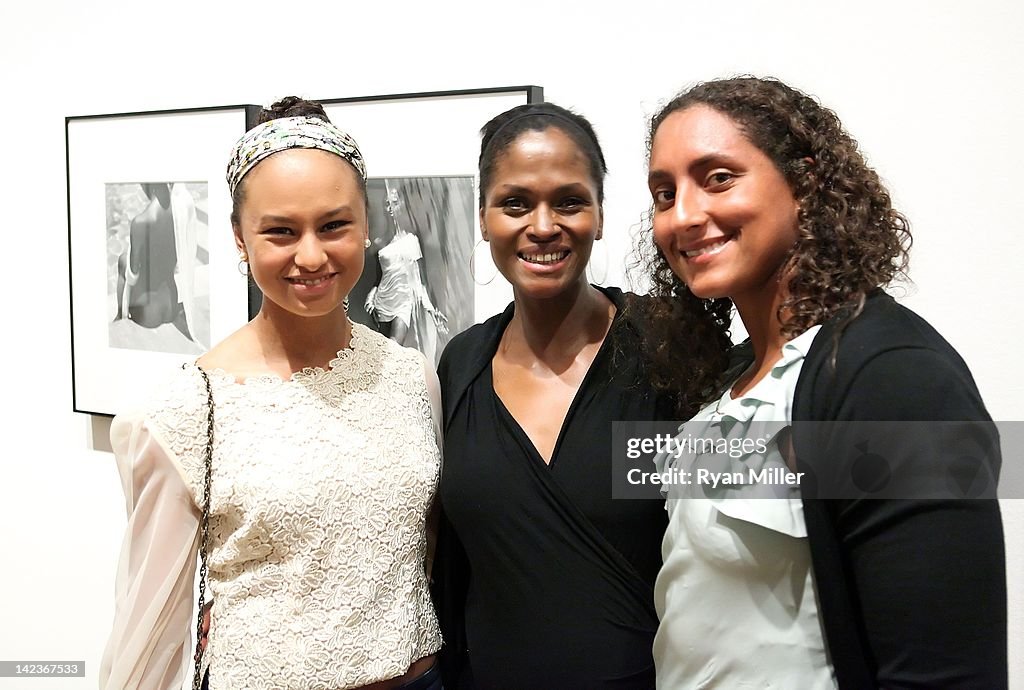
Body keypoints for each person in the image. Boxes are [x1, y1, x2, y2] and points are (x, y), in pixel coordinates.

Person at [635, 76, 1006, 688]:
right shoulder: (729, 378)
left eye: (719, 178)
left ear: (805, 183)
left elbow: (945, 671)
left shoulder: (890, 376)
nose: (685, 215)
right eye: (664, 193)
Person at [100, 98, 443, 690]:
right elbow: (151, 628)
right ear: (240, 237)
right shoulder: (186, 409)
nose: (310, 256)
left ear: (365, 224)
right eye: (280, 232)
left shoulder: (411, 377)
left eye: (333, 226)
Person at [432, 103, 690, 689]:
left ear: (599, 215)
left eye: (569, 201)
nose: (542, 225)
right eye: (515, 203)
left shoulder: (671, 347)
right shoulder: (461, 364)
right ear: (483, 218)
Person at [365, 182, 449, 364]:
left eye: (394, 202)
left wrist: (430, 308)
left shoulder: (412, 241)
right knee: (384, 349)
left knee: (395, 346)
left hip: (404, 302)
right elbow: (379, 278)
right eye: (387, 202)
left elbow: (419, 279)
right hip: (383, 302)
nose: (390, 206)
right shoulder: (379, 243)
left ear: (401, 205)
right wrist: (371, 297)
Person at [114, 181, 202, 348]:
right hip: (170, 305)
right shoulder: (179, 214)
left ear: (146, 185)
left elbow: (132, 274)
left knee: (122, 260)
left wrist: (129, 258)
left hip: (148, 314)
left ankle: (120, 314)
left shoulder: (141, 221)